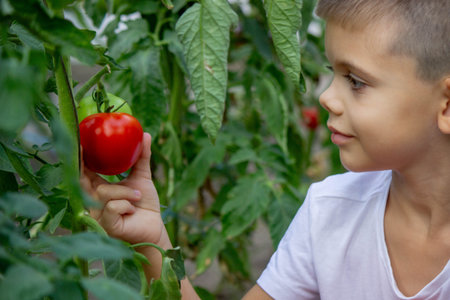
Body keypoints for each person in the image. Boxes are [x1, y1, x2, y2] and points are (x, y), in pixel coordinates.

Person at [81, 0, 450, 299]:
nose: (325, 97)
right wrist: (151, 238)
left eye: (355, 81)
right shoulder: (329, 213)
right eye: (331, 73)